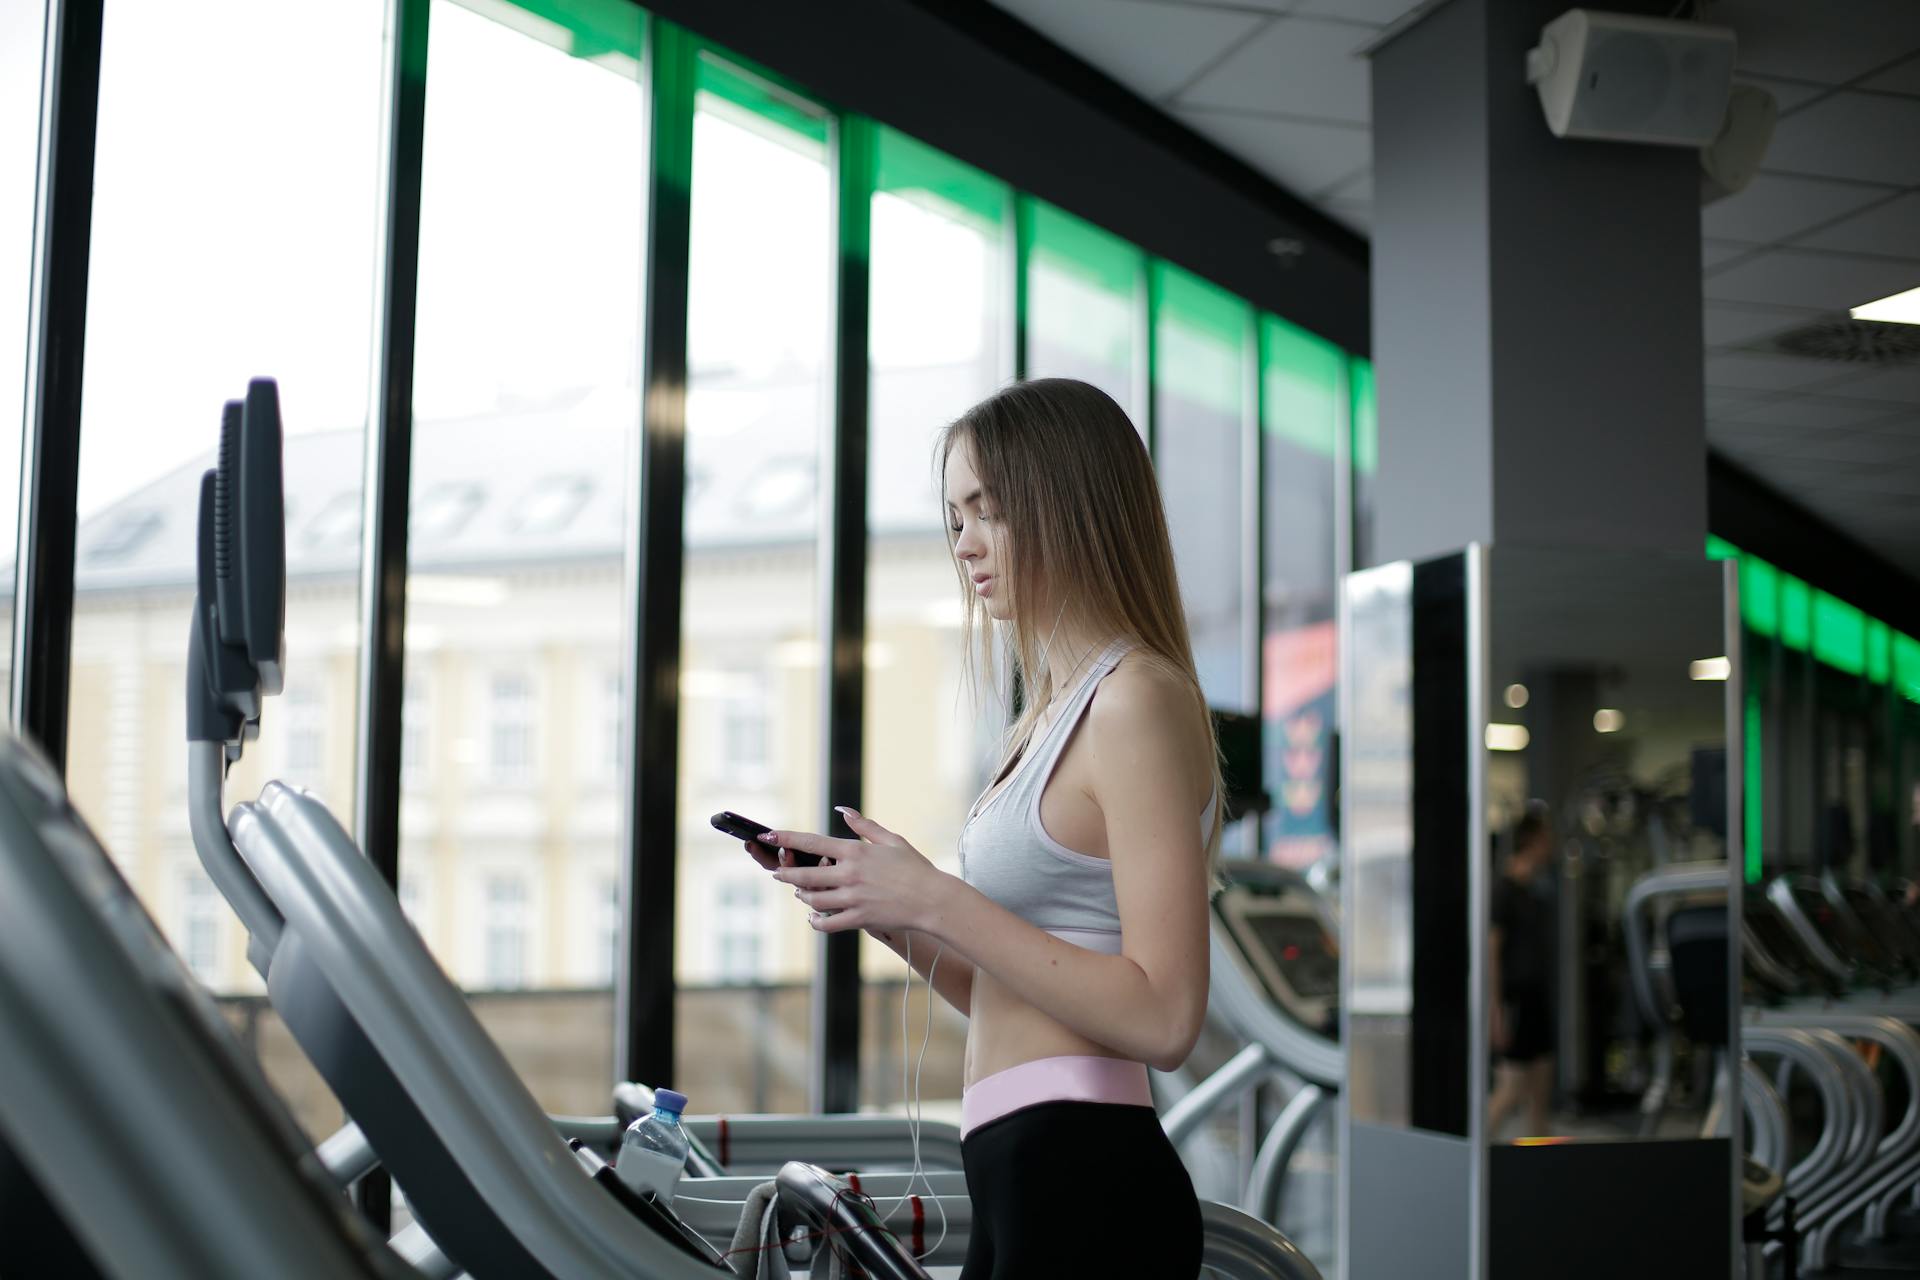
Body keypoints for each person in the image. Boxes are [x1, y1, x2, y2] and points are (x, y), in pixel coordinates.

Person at [741, 378, 1219, 1277]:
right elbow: (1008, 990)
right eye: (953, 518)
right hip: (1016, 1162)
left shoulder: (1135, 701)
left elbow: (1163, 1016)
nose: (963, 545)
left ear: (1065, 506)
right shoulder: (1045, 718)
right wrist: (894, 911)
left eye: (984, 511)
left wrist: (938, 897)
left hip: (1086, 1171)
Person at [1488, 805, 1556, 1141]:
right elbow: (1492, 953)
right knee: (1512, 1086)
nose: (1551, 845)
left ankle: (1538, 1158)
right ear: (1531, 841)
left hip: (1535, 997)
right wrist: (1496, 1008)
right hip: (1514, 999)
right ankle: (1478, 1154)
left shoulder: (1533, 892)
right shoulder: (1503, 891)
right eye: (1545, 838)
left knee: (1540, 1088)